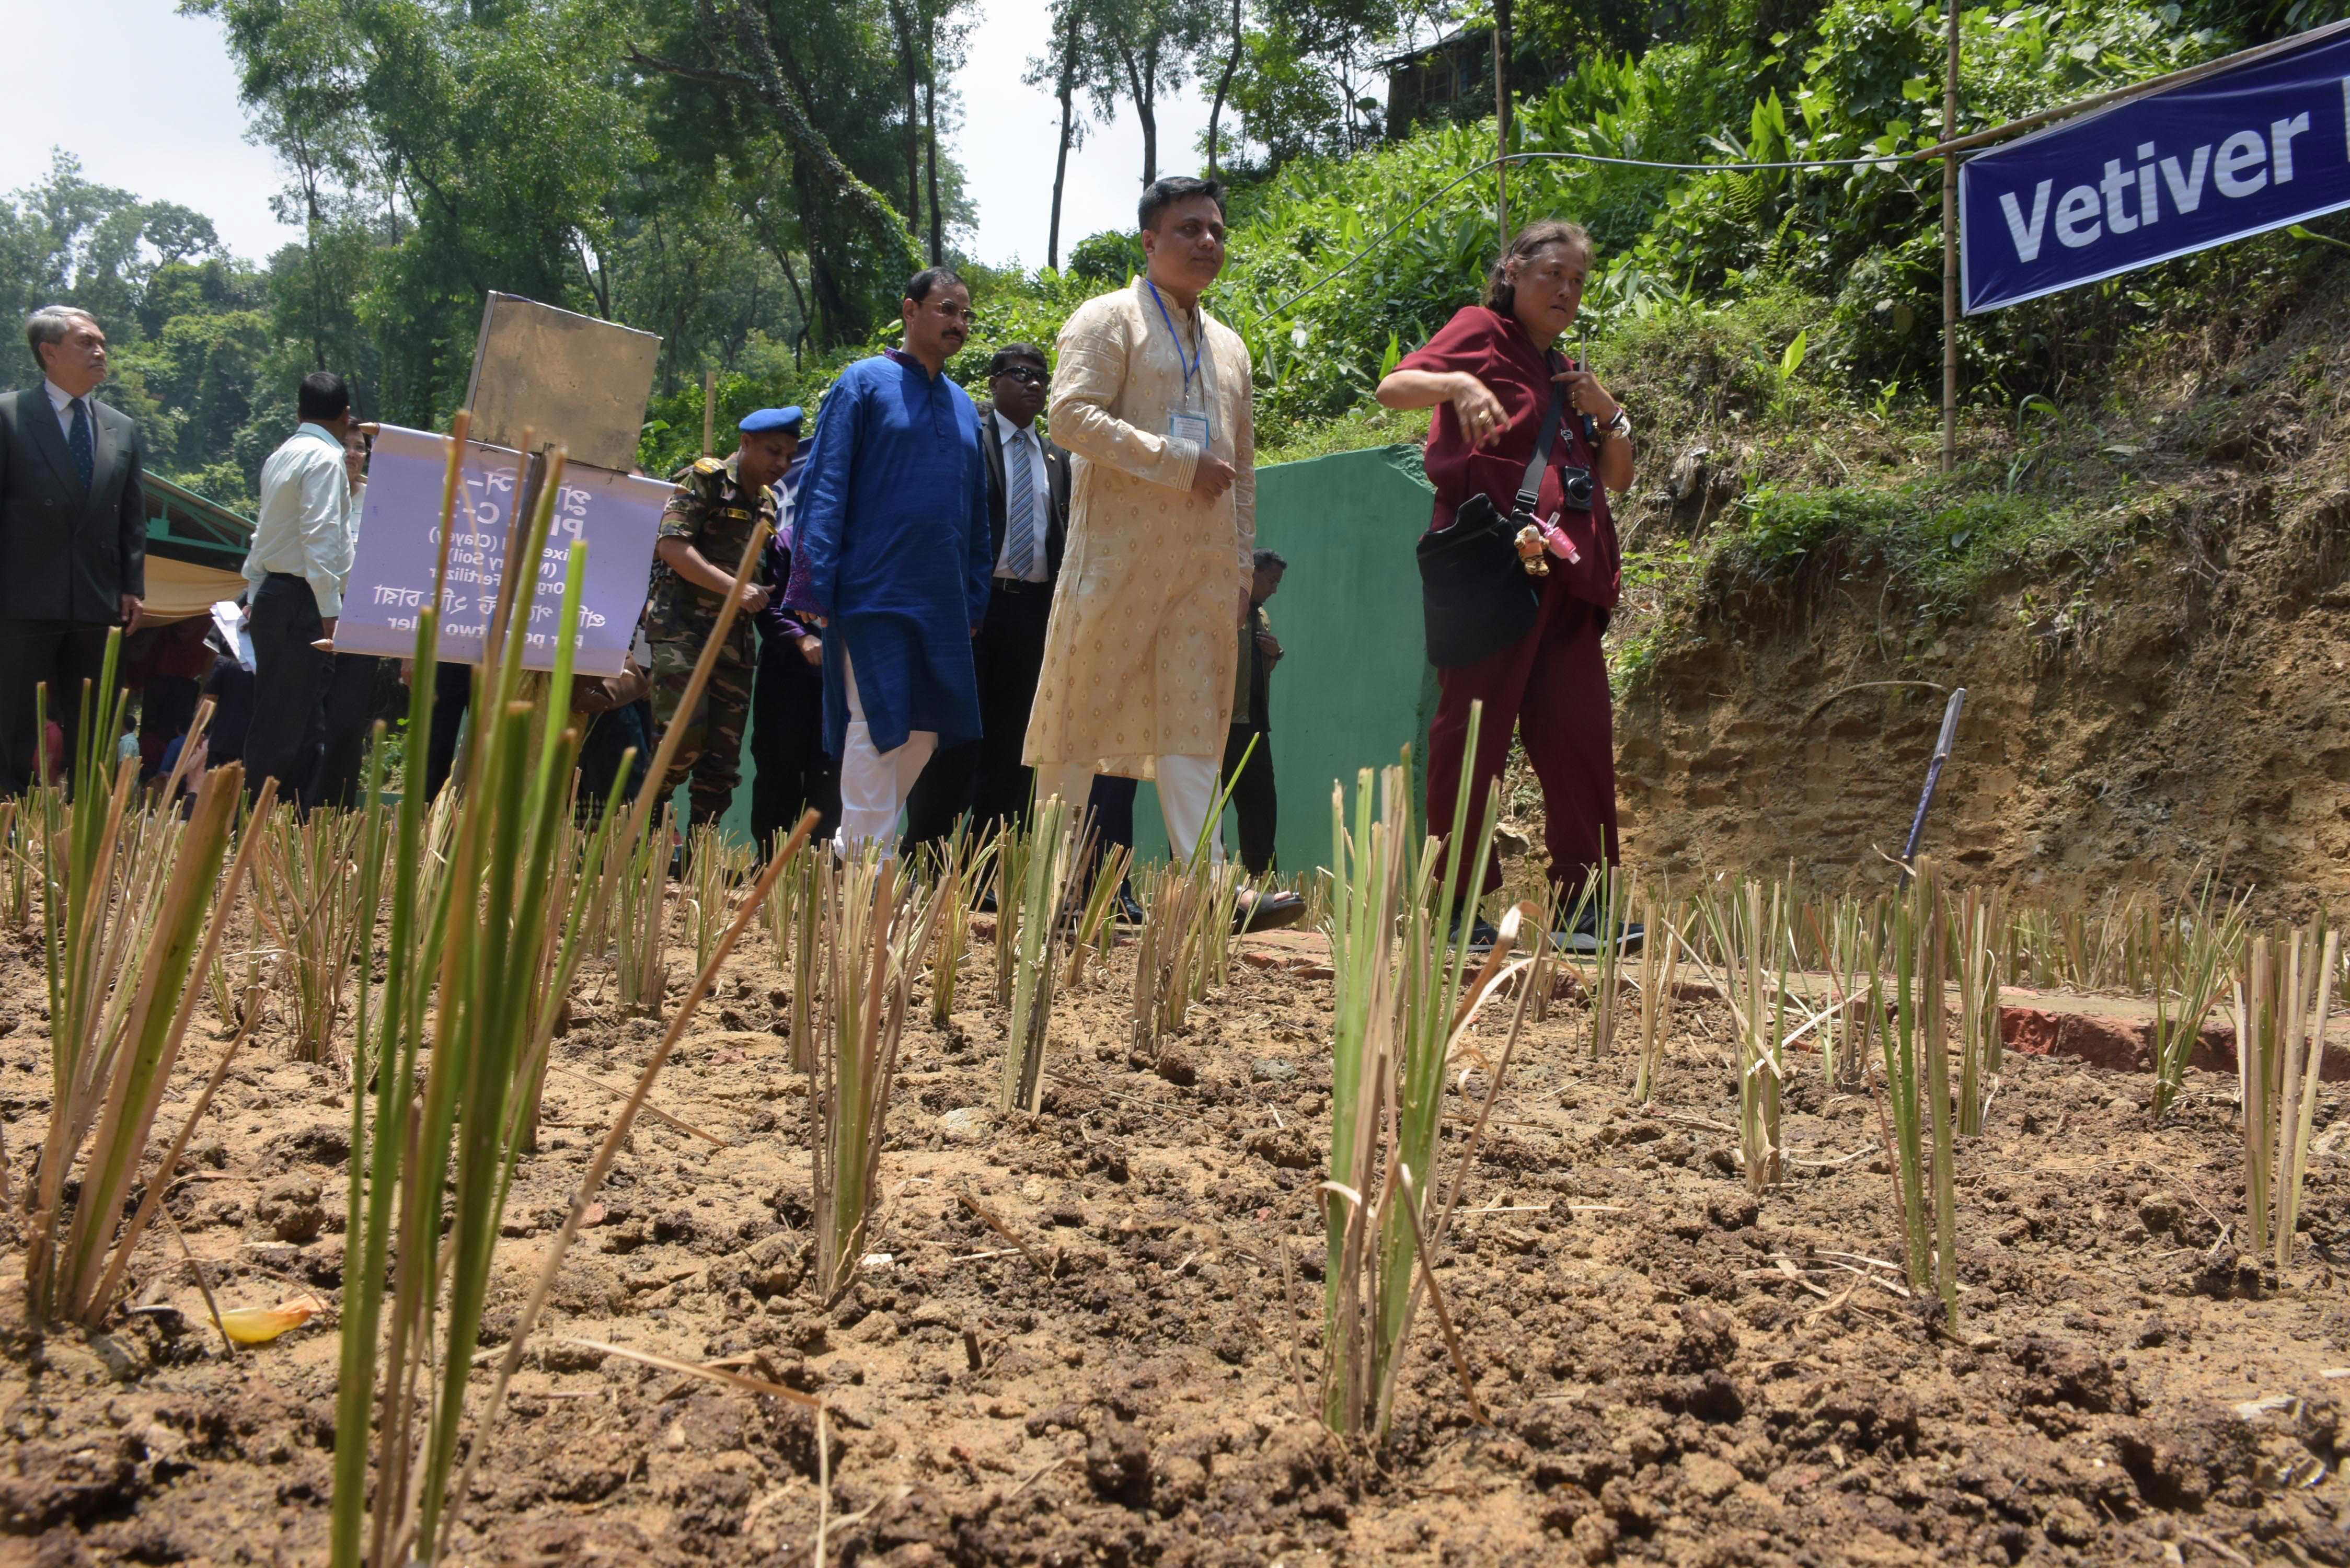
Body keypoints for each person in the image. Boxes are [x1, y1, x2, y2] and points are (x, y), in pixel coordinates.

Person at [1023, 176, 1301, 931]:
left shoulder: (1232, 348)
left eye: (1215, 229)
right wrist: (1175, 463)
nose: (1207, 242)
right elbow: (1070, 418)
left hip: (1202, 573)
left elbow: (1242, 473)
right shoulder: (1107, 319)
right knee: (1077, 722)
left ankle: (1214, 893)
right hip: (1114, 561)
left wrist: (1241, 571)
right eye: (1189, 229)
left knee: (1193, 722)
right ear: (1149, 241)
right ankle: (1050, 887)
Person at [1375, 219, 1639, 952]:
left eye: (1579, 281)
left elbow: (1618, 477)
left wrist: (1607, 412)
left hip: (1570, 582)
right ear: (1514, 270)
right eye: (1553, 273)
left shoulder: (1566, 373)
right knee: (1472, 740)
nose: (1566, 290)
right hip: (1492, 567)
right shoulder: (1480, 332)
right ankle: (1457, 908)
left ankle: (1585, 910)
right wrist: (1457, 381)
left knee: (1580, 740)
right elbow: (1394, 387)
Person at [783, 268, 993, 857]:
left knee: (926, 732)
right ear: (909, 310)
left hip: (942, 597)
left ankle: (854, 847)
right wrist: (814, 585)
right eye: (947, 309)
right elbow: (823, 486)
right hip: (872, 588)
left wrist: (974, 595)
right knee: (877, 719)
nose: (958, 323)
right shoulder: (861, 383)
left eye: (965, 315)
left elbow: (975, 511)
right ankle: (870, 868)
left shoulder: (961, 406)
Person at [905, 342, 1071, 853]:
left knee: (1014, 746)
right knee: (955, 739)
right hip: (974, 608)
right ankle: (926, 856)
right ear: (994, 381)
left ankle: (984, 871)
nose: (1035, 384)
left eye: (1042, 377)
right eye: (1022, 374)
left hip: (1032, 612)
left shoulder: (1058, 459)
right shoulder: (968, 441)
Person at [0, 306, 146, 794]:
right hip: (22, 599)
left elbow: (132, 516)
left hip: (97, 599)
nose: (100, 351)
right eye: (86, 342)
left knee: (97, 725)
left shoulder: (121, 427)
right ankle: (7, 826)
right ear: (49, 352)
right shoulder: (9, 415)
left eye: (102, 341)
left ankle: (91, 833)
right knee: (14, 724)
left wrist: (132, 585)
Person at [644, 407, 796, 830]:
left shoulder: (767, 503)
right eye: (773, 451)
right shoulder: (705, 480)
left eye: (788, 455)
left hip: (735, 640)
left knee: (722, 759)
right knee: (681, 738)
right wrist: (734, 588)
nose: (782, 463)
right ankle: (645, 835)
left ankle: (697, 858)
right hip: (683, 631)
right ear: (745, 443)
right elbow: (672, 547)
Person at [242, 371, 363, 808]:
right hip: (303, 600)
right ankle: (254, 825)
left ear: (299, 413)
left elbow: (264, 534)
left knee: (289, 718)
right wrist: (331, 610)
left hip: (277, 593)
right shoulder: (326, 459)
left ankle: (280, 824)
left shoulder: (281, 455)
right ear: (345, 415)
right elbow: (320, 535)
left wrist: (256, 593)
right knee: (288, 724)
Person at [748, 409, 842, 848]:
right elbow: (766, 604)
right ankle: (768, 862)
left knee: (831, 772)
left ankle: (817, 869)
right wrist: (800, 636)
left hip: (838, 679)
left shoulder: (858, 549)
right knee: (778, 766)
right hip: (787, 673)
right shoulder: (783, 541)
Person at [312, 428, 388, 809]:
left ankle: (334, 810)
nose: (352, 453)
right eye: (345, 445)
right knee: (306, 715)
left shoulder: (381, 500)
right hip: (310, 612)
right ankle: (290, 806)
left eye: (360, 447)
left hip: (361, 618)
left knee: (347, 720)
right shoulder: (314, 487)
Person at [1222, 548, 1286, 875]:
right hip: (1222, 729)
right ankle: (1207, 884)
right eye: (1272, 580)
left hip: (1257, 729)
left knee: (1261, 809)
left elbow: (1258, 674)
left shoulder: (1261, 616)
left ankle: (1262, 883)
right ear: (1253, 572)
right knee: (1209, 812)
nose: (1275, 589)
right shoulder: (1225, 607)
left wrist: (1275, 654)